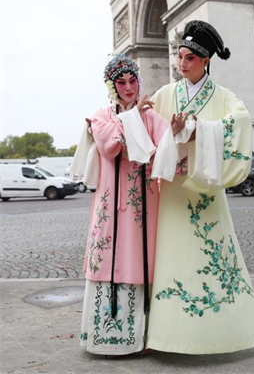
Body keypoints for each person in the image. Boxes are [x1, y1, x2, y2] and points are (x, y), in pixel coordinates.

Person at [146, 20, 254, 354]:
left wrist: (201, 131)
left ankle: (223, 333)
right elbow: (147, 128)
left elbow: (241, 122)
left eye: (190, 59)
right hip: (173, 191)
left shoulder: (225, 98)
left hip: (206, 191)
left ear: (206, 60)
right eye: (180, 57)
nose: (182, 64)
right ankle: (168, 335)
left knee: (213, 255)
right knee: (174, 256)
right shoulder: (166, 95)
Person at [76, 54, 182, 356]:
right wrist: (133, 118)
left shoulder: (150, 116)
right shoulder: (101, 116)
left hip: (143, 208)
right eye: (121, 82)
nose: (128, 87)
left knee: (141, 259)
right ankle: (106, 337)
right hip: (110, 206)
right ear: (112, 86)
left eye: (133, 80)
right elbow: (109, 148)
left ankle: (145, 336)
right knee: (108, 257)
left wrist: (176, 131)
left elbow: (167, 150)